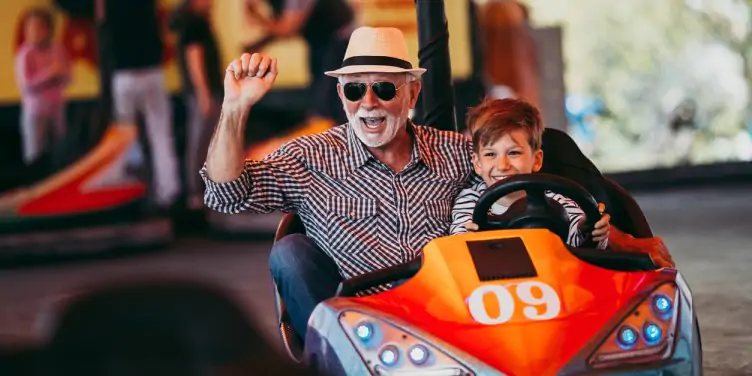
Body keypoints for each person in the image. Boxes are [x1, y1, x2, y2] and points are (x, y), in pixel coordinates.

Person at [201, 27, 611, 338]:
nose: (368, 102)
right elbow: (225, 194)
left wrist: (587, 221)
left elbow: (515, 170)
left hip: (456, 315)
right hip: (363, 329)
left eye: (383, 88)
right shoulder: (310, 157)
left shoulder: (457, 152)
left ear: (412, 94)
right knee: (289, 253)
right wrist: (235, 108)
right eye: (355, 89)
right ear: (341, 95)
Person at [450, 97, 610, 249]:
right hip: (497, 274)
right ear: (477, 163)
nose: (502, 165)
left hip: (551, 272)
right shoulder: (470, 201)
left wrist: (589, 228)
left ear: (537, 160)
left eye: (513, 153)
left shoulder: (555, 199)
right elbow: (459, 239)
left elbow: (581, 239)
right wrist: (469, 238)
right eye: (490, 154)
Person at [105, 0, 181, 211]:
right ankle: (168, 192)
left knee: (125, 139)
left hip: (124, 75)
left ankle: (126, 194)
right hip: (152, 72)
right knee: (161, 135)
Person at [243, 0, 355, 124]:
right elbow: (284, 26)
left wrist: (256, 14)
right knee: (320, 92)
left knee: (326, 100)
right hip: (321, 40)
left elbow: (288, 29)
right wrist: (258, 44)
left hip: (340, 41)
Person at [170, 0, 224, 210]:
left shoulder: (192, 22)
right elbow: (195, 60)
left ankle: (200, 193)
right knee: (201, 145)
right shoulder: (194, 24)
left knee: (203, 144)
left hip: (204, 93)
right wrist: (204, 94)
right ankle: (196, 195)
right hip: (204, 93)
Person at [14, 7, 71, 169]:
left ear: (47, 30)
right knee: (34, 156)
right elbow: (26, 85)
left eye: (37, 27)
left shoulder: (57, 49)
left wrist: (61, 74)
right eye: (29, 28)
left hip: (57, 109)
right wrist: (49, 74)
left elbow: (69, 77)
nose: (32, 32)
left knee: (60, 153)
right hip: (35, 113)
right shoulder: (25, 54)